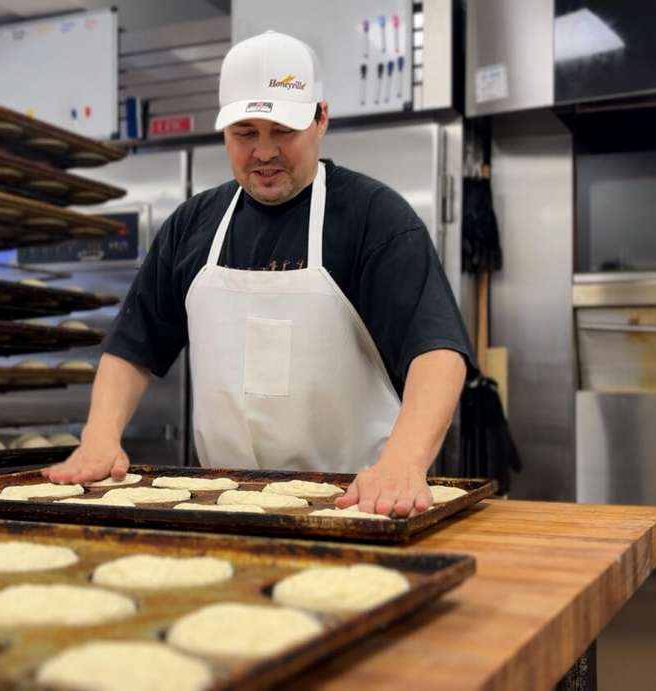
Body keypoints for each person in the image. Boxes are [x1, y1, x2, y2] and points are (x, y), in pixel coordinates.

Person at [44, 31, 472, 517]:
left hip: (359, 501)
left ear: (321, 118)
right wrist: (99, 436)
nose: (263, 152)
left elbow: (436, 351)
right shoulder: (192, 224)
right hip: (222, 501)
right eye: (245, 133)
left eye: (282, 131)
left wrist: (403, 462)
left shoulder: (373, 216)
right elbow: (132, 347)